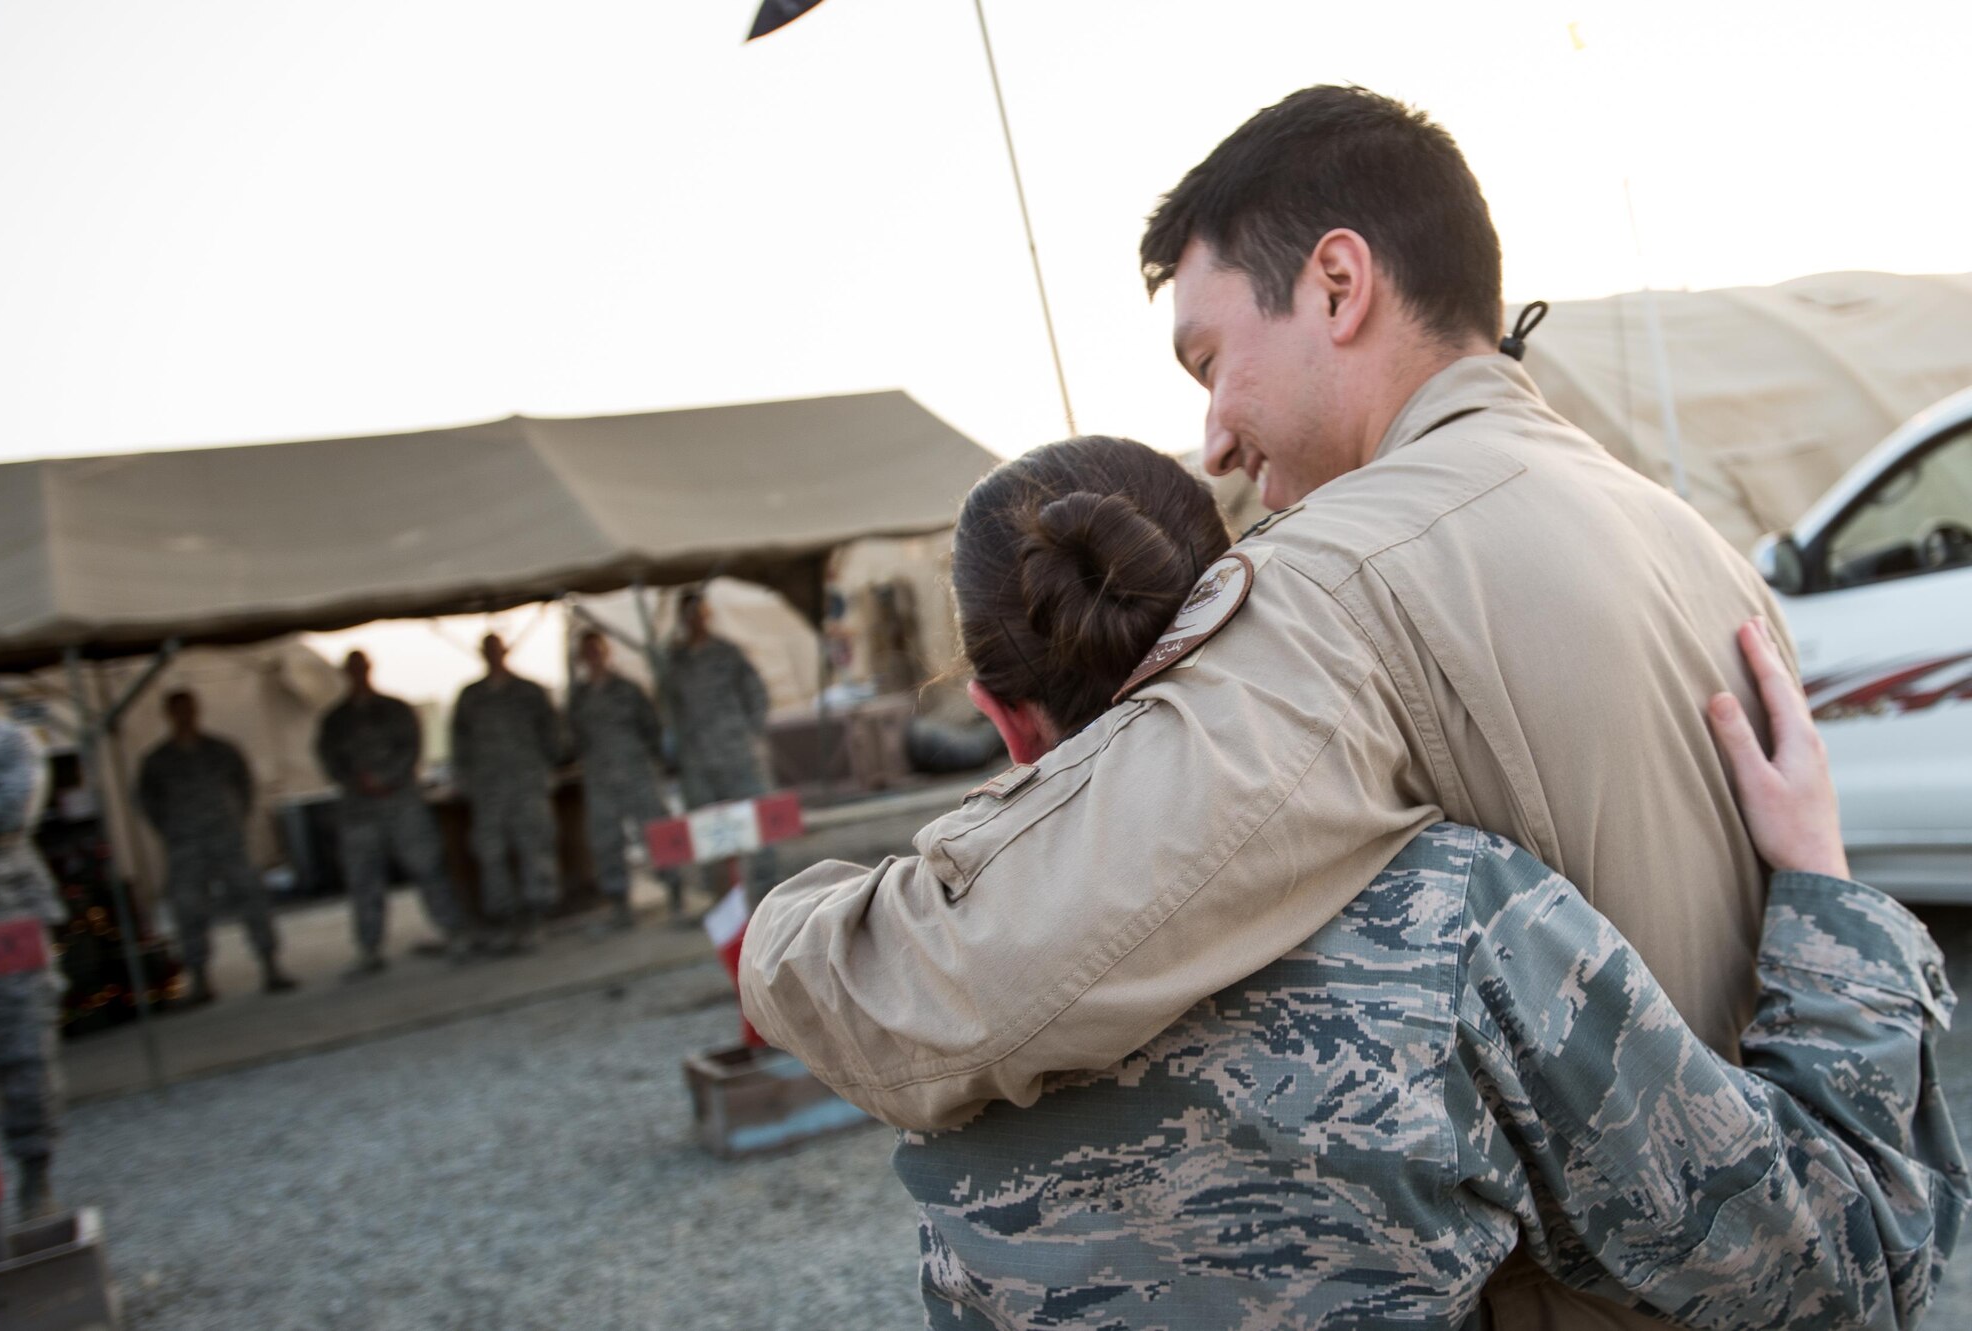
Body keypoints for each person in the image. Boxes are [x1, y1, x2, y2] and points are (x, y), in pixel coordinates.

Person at [738, 88, 1805, 1328]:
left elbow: (974, 977)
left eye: (1209, 359)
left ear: (1337, 284)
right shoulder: (1689, 540)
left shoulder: (1339, 582)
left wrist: (781, 943)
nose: (1211, 440)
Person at [760, 439, 1969, 1329]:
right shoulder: (1444, 920)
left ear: (997, 718)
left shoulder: (912, 989)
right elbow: (1829, 1266)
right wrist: (1823, 890)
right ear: (1234, 612)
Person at [315, 650, 470, 974]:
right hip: (360, 810)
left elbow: (412, 748)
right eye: (352, 669)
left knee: (427, 866)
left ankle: (454, 932)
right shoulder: (336, 720)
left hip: (401, 803)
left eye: (362, 668)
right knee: (363, 879)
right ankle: (369, 949)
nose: (358, 674)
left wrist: (386, 779)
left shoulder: (395, 710)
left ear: (370, 669)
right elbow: (329, 760)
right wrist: (360, 782)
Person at [136, 690, 296, 1002]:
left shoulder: (221, 750)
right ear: (169, 714)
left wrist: (234, 820)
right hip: (186, 846)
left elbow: (245, 786)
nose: (185, 715)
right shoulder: (158, 760)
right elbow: (148, 802)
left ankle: (270, 965)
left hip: (226, 840)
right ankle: (199, 978)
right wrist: (173, 831)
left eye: (189, 709)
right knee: (189, 910)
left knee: (251, 899)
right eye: (178, 710)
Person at [0, 714, 65, 1221]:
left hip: (1, 927)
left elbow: (14, 810)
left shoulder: (6, 741)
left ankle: (36, 1177)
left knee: (24, 1052)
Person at [661, 590, 775, 904]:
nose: (695, 620)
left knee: (754, 822)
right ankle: (723, 897)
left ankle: (766, 890)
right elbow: (668, 706)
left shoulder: (727, 653)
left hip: (734, 752)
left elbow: (756, 693)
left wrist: (750, 732)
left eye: (699, 612)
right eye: (688, 614)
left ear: (707, 614)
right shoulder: (674, 661)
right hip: (696, 760)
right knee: (706, 831)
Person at [449, 634, 560, 951]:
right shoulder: (471, 697)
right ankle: (506, 919)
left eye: (497, 649)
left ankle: (537, 918)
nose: (493, 655)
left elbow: (552, 733)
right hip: (488, 791)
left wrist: (543, 769)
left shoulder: (528, 691)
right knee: (491, 853)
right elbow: (460, 743)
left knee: (534, 848)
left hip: (526, 785)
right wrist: (466, 781)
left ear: (505, 652)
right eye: (488, 651)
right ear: (482, 654)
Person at [568, 630, 678, 927]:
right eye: (587, 651)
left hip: (636, 773)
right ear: (582, 657)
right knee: (606, 841)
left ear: (606, 652)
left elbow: (651, 727)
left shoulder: (628, 689)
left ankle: (675, 892)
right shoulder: (578, 697)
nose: (593, 656)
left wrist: (650, 762)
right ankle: (619, 905)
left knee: (656, 833)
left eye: (597, 649)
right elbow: (572, 738)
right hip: (600, 779)